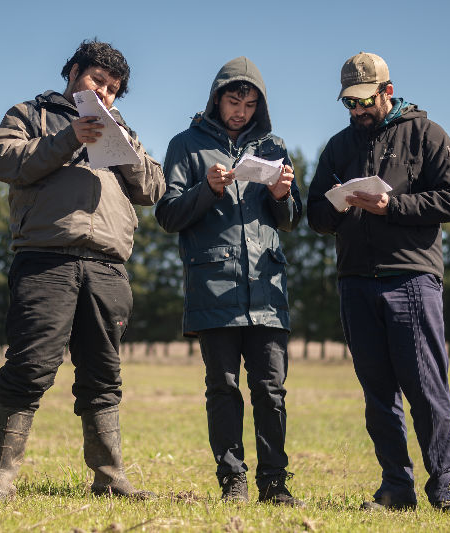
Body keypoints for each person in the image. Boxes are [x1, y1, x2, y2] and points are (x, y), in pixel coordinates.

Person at [0, 39, 165, 500]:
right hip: (46, 258)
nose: (104, 95)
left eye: (113, 90)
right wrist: (68, 139)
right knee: (30, 364)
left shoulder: (123, 128)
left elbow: (154, 187)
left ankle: (110, 476)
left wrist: (123, 150)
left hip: (107, 265)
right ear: (74, 72)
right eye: (97, 81)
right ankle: (2, 475)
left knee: (103, 373)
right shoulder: (31, 113)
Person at [306, 52, 450, 515]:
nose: (356, 112)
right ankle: (396, 488)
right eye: (348, 104)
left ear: (387, 92)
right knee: (378, 394)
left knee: (425, 388)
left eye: (363, 102)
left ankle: (444, 487)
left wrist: (391, 207)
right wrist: (337, 205)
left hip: (412, 279)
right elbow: (317, 215)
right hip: (355, 282)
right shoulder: (338, 147)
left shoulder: (426, 134)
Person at [155, 57, 304, 506]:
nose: (240, 110)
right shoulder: (185, 145)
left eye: (250, 103)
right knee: (222, 387)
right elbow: (167, 214)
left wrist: (283, 197)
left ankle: (275, 485)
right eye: (233, 100)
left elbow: (292, 217)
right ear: (216, 98)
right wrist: (209, 189)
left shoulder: (274, 146)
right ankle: (233, 482)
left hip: (267, 288)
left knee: (271, 389)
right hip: (213, 287)